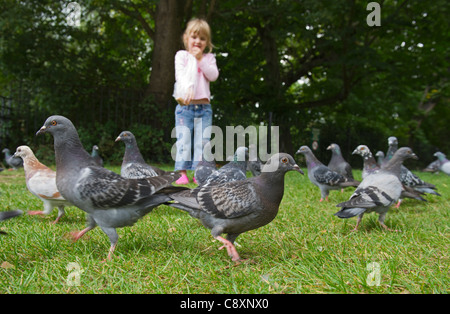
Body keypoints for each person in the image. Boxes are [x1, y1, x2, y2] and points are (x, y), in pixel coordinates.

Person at [173, 18, 219, 184]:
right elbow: (180, 76)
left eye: (202, 38)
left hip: (204, 108)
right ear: (186, 38)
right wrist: (193, 61)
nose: (197, 41)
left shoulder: (208, 58)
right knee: (184, 139)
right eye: (194, 37)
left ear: (207, 42)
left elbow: (213, 75)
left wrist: (200, 60)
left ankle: (200, 173)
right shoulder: (182, 56)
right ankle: (181, 172)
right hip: (185, 108)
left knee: (203, 141)